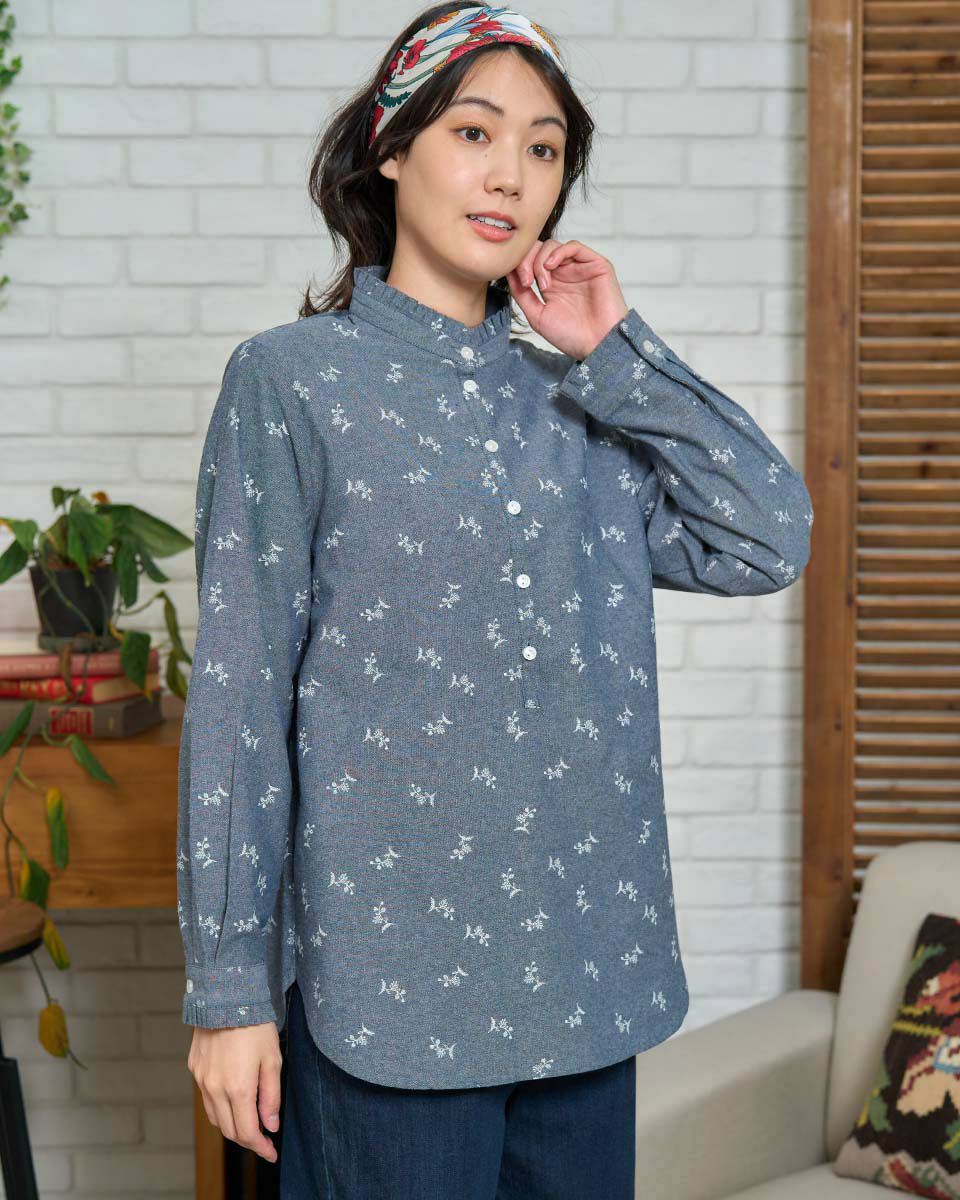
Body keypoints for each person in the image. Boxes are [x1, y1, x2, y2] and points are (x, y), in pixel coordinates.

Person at [177, 4, 815, 1197]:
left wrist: (617, 348)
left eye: (544, 147)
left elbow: (768, 536)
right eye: (474, 132)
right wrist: (227, 993)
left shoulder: (582, 399)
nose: (511, 174)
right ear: (392, 146)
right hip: (388, 1003)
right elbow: (237, 704)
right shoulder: (292, 383)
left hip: (589, 986)